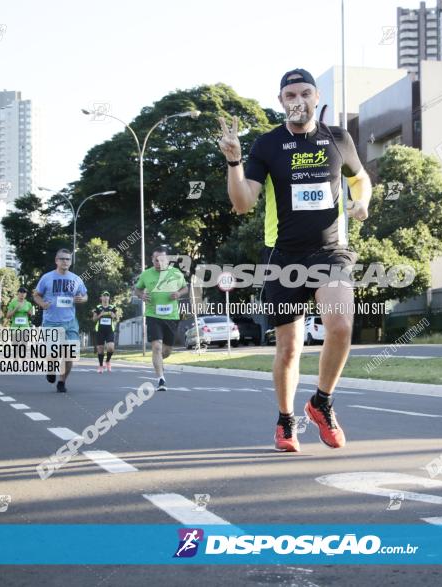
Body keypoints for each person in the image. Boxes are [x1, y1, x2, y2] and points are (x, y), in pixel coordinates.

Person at [218, 68, 372, 452]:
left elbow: (360, 178)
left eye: (305, 92)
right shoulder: (267, 146)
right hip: (283, 257)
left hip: (330, 252)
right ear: (281, 102)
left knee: (340, 325)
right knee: (289, 347)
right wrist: (234, 163)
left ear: (316, 97)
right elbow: (242, 204)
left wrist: (361, 202)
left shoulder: (338, 138)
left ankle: (321, 402)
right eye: (290, 95)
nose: (298, 99)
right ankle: (286, 422)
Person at [133, 247, 188, 391]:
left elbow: (185, 288)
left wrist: (178, 294)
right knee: (156, 347)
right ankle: (161, 379)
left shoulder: (175, 273)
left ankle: (158, 363)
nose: (158, 262)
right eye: (155, 259)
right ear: (152, 260)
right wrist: (141, 296)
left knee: (167, 351)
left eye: (161, 259)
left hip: (171, 316)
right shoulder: (146, 274)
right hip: (153, 315)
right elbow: (137, 289)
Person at [33, 249, 88, 393]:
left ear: (71, 262)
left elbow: (84, 295)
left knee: (69, 354)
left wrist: (82, 299)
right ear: (56, 260)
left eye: (68, 259)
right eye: (62, 259)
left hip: (70, 322)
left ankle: (62, 381)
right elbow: (36, 295)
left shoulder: (76, 279)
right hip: (51, 321)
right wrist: (42, 304)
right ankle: (51, 369)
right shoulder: (47, 278)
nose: (65, 261)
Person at [92, 291, 120, 373]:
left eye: (107, 296)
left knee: (111, 348)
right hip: (100, 331)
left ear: (109, 298)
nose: (105, 297)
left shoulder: (112, 307)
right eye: (104, 296)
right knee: (100, 349)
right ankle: (101, 366)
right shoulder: (98, 307)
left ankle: (107, 361)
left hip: (109, 331)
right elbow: (94, 319)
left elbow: (116, 317)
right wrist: (100, 315)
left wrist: (113, 316)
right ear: (101, 298)